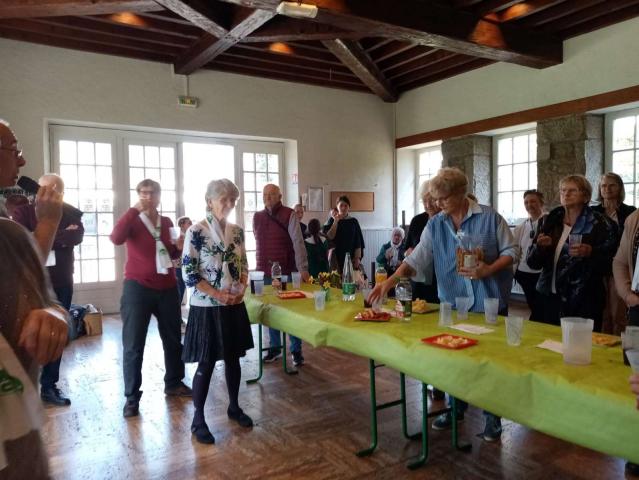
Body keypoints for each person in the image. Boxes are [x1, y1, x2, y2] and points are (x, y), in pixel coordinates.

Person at [368, 167, 517, 442]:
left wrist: (488, 269)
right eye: (435, 199)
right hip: (453, 302)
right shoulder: (436, 224)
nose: (437, 204)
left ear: (461, 193)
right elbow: (415, 259)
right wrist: (387, 283)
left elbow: (511, 251)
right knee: (453, 359)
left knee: (491, 364)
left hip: (489, 303)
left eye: (443, 198)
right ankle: (454, 409)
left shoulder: (490, 217)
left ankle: (493, 418)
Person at [0, 119, 68, 478]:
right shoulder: (16, 221)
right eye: (15, 150)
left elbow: (40, 295)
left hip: (18, 424)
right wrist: (49, 225)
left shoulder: (8, 227)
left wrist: (53, 314)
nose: (22, 161)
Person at [110, 179, 192, 419]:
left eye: (152, 193)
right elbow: (116, 238)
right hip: (138, 288)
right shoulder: (133, 219)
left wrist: (178, 247)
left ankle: (174, 382)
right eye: (143, 193)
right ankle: (131, 397)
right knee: (133, 344)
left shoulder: (166, 222)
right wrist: (133, 210)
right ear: (138, 195)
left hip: (167, 286)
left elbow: (170, 253)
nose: (148, 196)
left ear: (159, 196)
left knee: (173, 339)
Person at [181, 179, 254, 444]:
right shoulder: (196, 231)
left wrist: (242, 287)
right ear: (209, 201)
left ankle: (234, 407)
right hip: (207, 307)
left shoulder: (237, 231)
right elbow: (189, 273)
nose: (229, 204)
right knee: (207, 361)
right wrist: (217, 294)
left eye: (233, 199)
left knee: (233, 358)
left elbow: (243, 263)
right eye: (224, 199)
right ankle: (198, 419)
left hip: (233, 304)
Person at [13, 174, 84, 407]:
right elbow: (23, 242)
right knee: (25, 335)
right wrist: (57, 233)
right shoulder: (22, 212)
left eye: (57, 190)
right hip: (30, 284)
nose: (51, 193)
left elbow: (77, 235)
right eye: (46, 188)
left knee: (56, 336)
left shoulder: (70, 213)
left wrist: (45, 234)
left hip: (61, 281)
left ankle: (49, 386)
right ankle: (22, 387)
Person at [527, 175, 617, 332]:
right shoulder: (549, 221)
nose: (566, 194)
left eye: (572, 190)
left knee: (579, 344)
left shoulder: (601, 224)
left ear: (586, 196)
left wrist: (591, 253)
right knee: (547, 342)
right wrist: (540, 248)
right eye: (563, 190)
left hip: (583, 300)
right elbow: (532, 263)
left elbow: (612, 263)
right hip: (548, 296)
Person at [253, 184, 310, 366]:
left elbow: (298, 242)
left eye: (271, 194)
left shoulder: (289, 214)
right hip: (265, 271)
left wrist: (303, 268)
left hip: (286, 271)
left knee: (291, 311)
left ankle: (296, 350)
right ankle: (275, 348)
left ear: (280, 196)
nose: (267, 197)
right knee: (270, 311)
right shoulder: (257, 216)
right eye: (265, 194)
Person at [593, 173, 635, 335]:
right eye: (604, 186)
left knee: (618, 313)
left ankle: (619, 345)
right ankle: (602, 344)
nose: (607, 189)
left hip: (620, 267)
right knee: (601, 311)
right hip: (597, 266)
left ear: (620, 188)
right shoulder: (593, 211)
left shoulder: (630, 212)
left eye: (612, 185)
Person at [404, 180, 440, 303]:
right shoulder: (417, 221)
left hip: (438, 282)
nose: (428, 205)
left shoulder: (446, 221)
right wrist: (408, 252)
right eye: (424, 201)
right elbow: (404, 249)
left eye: (432, 200)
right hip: (417, 282)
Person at [512, 189, 545, 321]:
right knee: (533, 304)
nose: (529, 205)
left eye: (533, 201)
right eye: (526, 202)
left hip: (541, 273)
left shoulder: (549, 222)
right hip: (524, 272)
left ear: (541, 203)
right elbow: (516, 249)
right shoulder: (521, 227)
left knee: (542, 306)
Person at [323, 195, 365, 272]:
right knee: (336, 278)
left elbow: (358, 240)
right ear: (337, 206)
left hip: (350, 255)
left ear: (349, 207)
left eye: (346, 205)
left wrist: (357, 257)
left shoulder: (353, 221)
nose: (343, 208)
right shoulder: (331, 220)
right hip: (335, 257)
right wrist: (336, 221)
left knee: (350, 277)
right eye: (341, 205)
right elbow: (329, 237)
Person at [175, 216, 192, 306]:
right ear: (182, 225)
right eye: (189, 223)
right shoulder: (179, 236)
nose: (191, 224)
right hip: (178, 267)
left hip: (184, 267)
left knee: (181, 290)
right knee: (179, 290)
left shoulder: (188, 235)